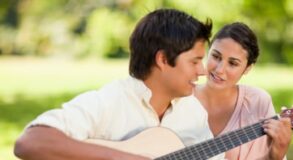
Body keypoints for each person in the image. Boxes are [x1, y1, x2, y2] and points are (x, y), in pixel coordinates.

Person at [14, 8, 221, 160]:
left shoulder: (193, 111)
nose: (202, 70)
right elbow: (30, 142)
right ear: (163, 60)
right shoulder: (110, 101)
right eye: (194, 61)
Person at [194, 22, 292, 160]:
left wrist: (273, 156)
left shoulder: (256, 102)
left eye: (233, 63)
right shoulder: (180, 97)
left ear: (247, 68)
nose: (220, 69)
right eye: (216, 56)